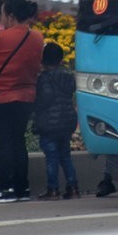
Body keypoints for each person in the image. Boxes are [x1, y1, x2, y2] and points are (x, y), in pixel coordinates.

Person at [0, 0, 45, 203]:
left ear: (10, 15)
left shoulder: (1, 37)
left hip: (0, 97)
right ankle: (22, 187)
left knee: (2, 144)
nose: (1, 20)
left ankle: (4, 188)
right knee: (19, 142)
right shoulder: (37, 37)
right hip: (26, 97)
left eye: (2, 15)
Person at [33, 42, 79, 200]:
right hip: (67, 121)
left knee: (51, 157)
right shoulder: (68, 76)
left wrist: (35, 107)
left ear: (43, 60)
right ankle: (73, 187)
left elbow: (45, 98)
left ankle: (52, 189)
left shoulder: (44, 78)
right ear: (61, 59)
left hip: (50, 124)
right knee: (66, 155)